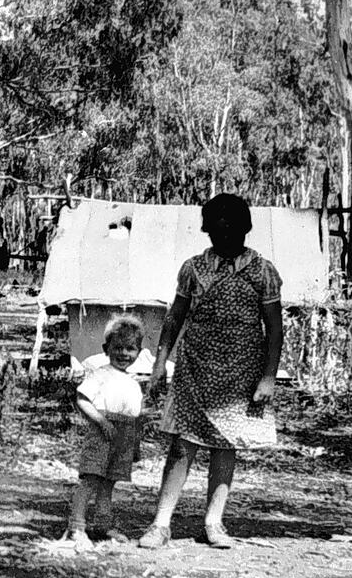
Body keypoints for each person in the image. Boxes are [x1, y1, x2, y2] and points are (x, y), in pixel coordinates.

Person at [139, 193, 283, 550]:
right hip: (195, 368)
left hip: (241, 373)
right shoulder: (193, 269)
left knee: (225, 446)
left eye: (232, 232)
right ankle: (161, 523)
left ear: (246, 229)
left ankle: (213, 521)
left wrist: (268, 377)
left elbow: (275, 329)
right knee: (182, 445)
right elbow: (175, 317)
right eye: (217, 234)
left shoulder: (262, 272)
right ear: (207, 232)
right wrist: (160, 363)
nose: (225, 240)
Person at [64, 315, 145, 548]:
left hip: (124, 437)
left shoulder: (133, 384)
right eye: (118, 347)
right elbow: (82, 399)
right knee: (91, 479)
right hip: (102, 433)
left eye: (130, 348)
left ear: (139, 352)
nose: (123, 353)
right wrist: (100, 421)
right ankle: (76, 525)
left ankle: (102, 524)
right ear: (106, 348)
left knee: (109, 483)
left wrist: (135, 445)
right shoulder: (100, 374)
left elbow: (135, 418)